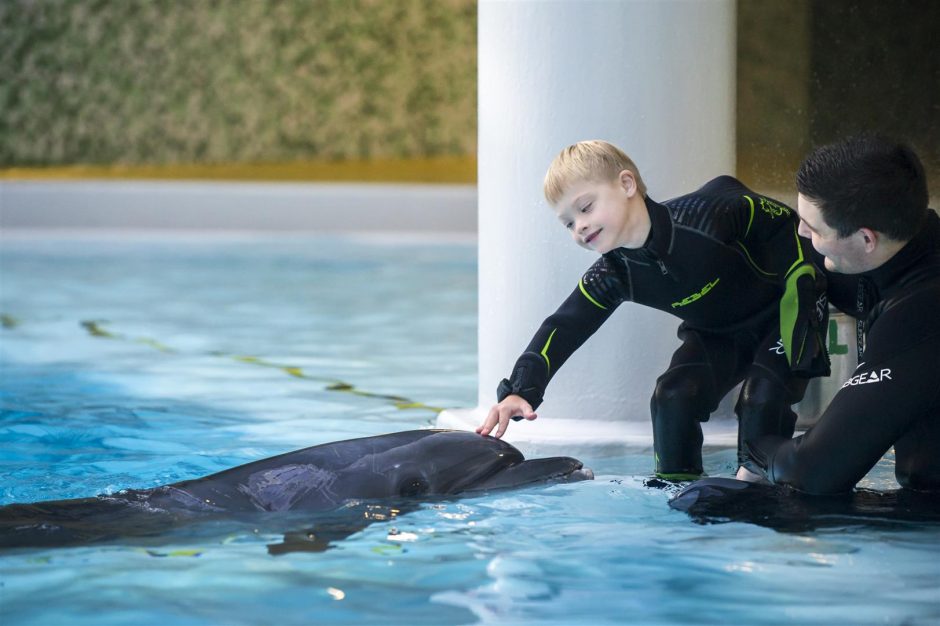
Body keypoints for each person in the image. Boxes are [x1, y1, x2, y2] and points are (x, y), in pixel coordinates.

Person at [476, 140, 830, 480]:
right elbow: (565, 325)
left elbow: (787, 225)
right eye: (568, 223)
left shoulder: (705, 215)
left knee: (761, 399)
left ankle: (764, 492)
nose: (579, 226)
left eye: (585, 208)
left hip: (781, 316)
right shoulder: (615, 274)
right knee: (672, 397)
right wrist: (521, 389)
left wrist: (803, 288)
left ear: (627, 184)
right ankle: (679, 495)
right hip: (716, 333)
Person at [743, 133, 940, 494]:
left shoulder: (920, 313)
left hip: (927, 530)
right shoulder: (910, 243)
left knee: (711, 504)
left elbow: (813, 471)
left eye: (814, 227)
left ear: (867, 240)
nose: (801, 232)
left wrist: (754, 446)